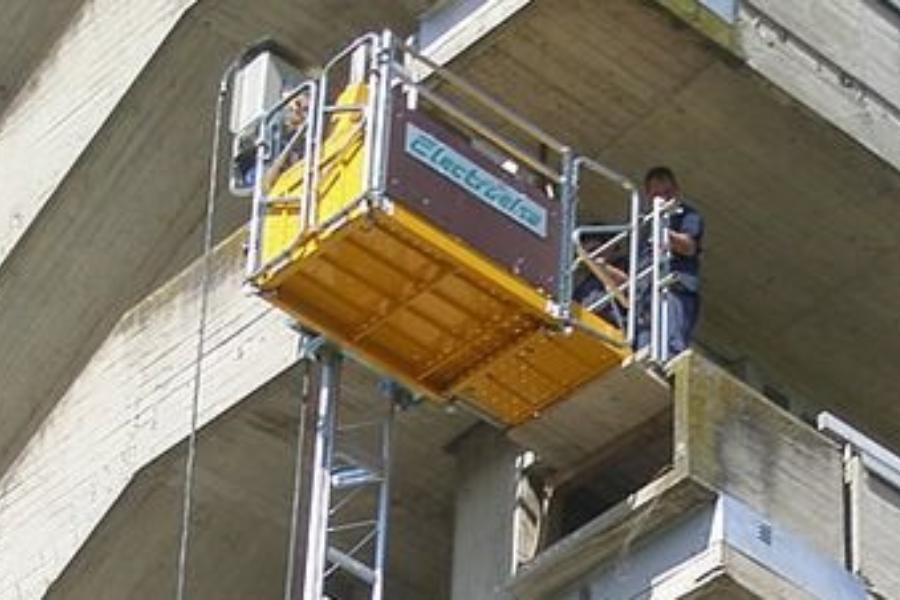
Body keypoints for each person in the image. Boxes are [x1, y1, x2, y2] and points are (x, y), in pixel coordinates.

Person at [580, 166, 703, 359]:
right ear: (649, 196)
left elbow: (689, 246)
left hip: (673, 287)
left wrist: (665, 233)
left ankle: (669, 363)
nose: (663, 198)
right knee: (644, 346)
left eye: (667, 193)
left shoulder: (686, 215)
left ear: (676, 191)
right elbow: (630, 276)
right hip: (644, 297)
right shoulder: (644, 227)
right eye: (656, 195)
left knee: (670, 341)